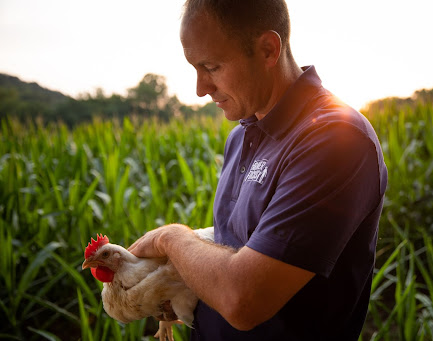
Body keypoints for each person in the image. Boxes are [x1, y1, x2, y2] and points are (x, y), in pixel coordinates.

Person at [128, 0, 388, 340]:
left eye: (212, 66)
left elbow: (244, 300)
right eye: (195, 68)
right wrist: (186, 283)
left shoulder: (335, 140)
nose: (200, 88)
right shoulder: (240, 136)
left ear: (268, 49)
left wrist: (171, 239)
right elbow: (234, 248)